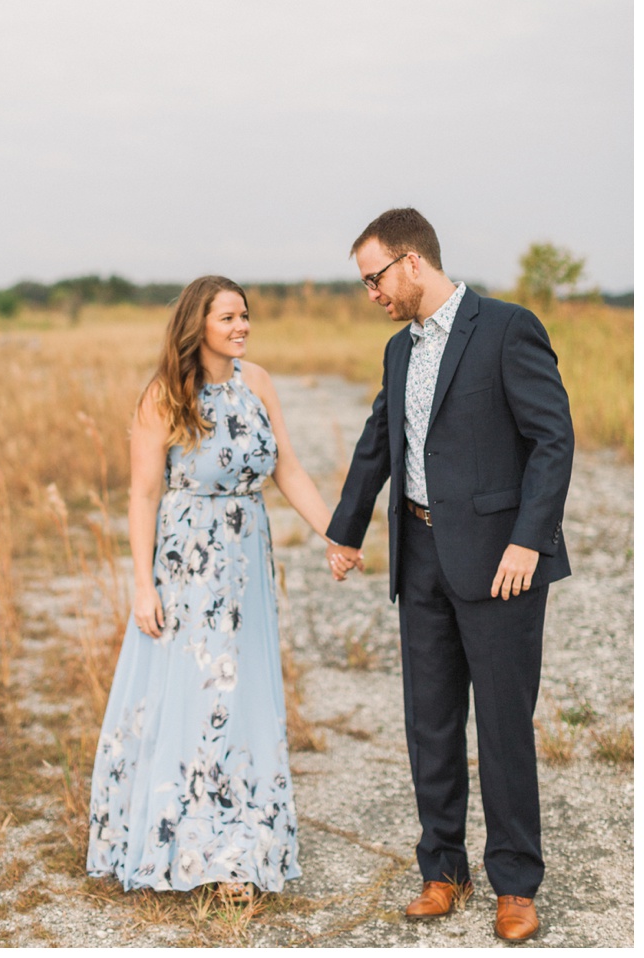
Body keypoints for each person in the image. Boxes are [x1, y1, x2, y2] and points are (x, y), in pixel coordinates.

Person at [326, 209, 573, 943]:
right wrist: (346, 530)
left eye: (374, 277)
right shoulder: (399, 351)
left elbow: (552, 440)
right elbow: (380, 441)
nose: (371, 293)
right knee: (429, 721)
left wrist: (529, 542)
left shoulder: (505, 328)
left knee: (501, 725)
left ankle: (515, 885)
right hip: (422, 555)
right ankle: (443, 869)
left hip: (501, 562)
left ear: (411, 263)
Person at [87, 275, 345, 899]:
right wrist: (143, 586)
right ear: (196, 324)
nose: (241, 326)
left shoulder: (257, 383)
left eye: (245, 316)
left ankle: (243, 843)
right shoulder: (164, 396)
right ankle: (198, 846)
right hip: (187, 565)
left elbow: (286, 466)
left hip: (247, 561)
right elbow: (143, 495)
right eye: (228, 317)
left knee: (248, 689)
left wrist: (333, 535)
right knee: (198, 694)